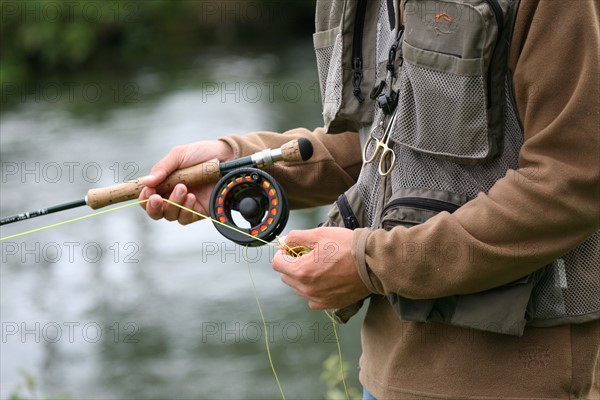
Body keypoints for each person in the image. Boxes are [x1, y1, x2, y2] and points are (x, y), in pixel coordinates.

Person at [140, 0, 599, 398]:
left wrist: (371, 263)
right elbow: (382, 146)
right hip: (381, 377)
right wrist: (237, 163)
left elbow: (571, 182)